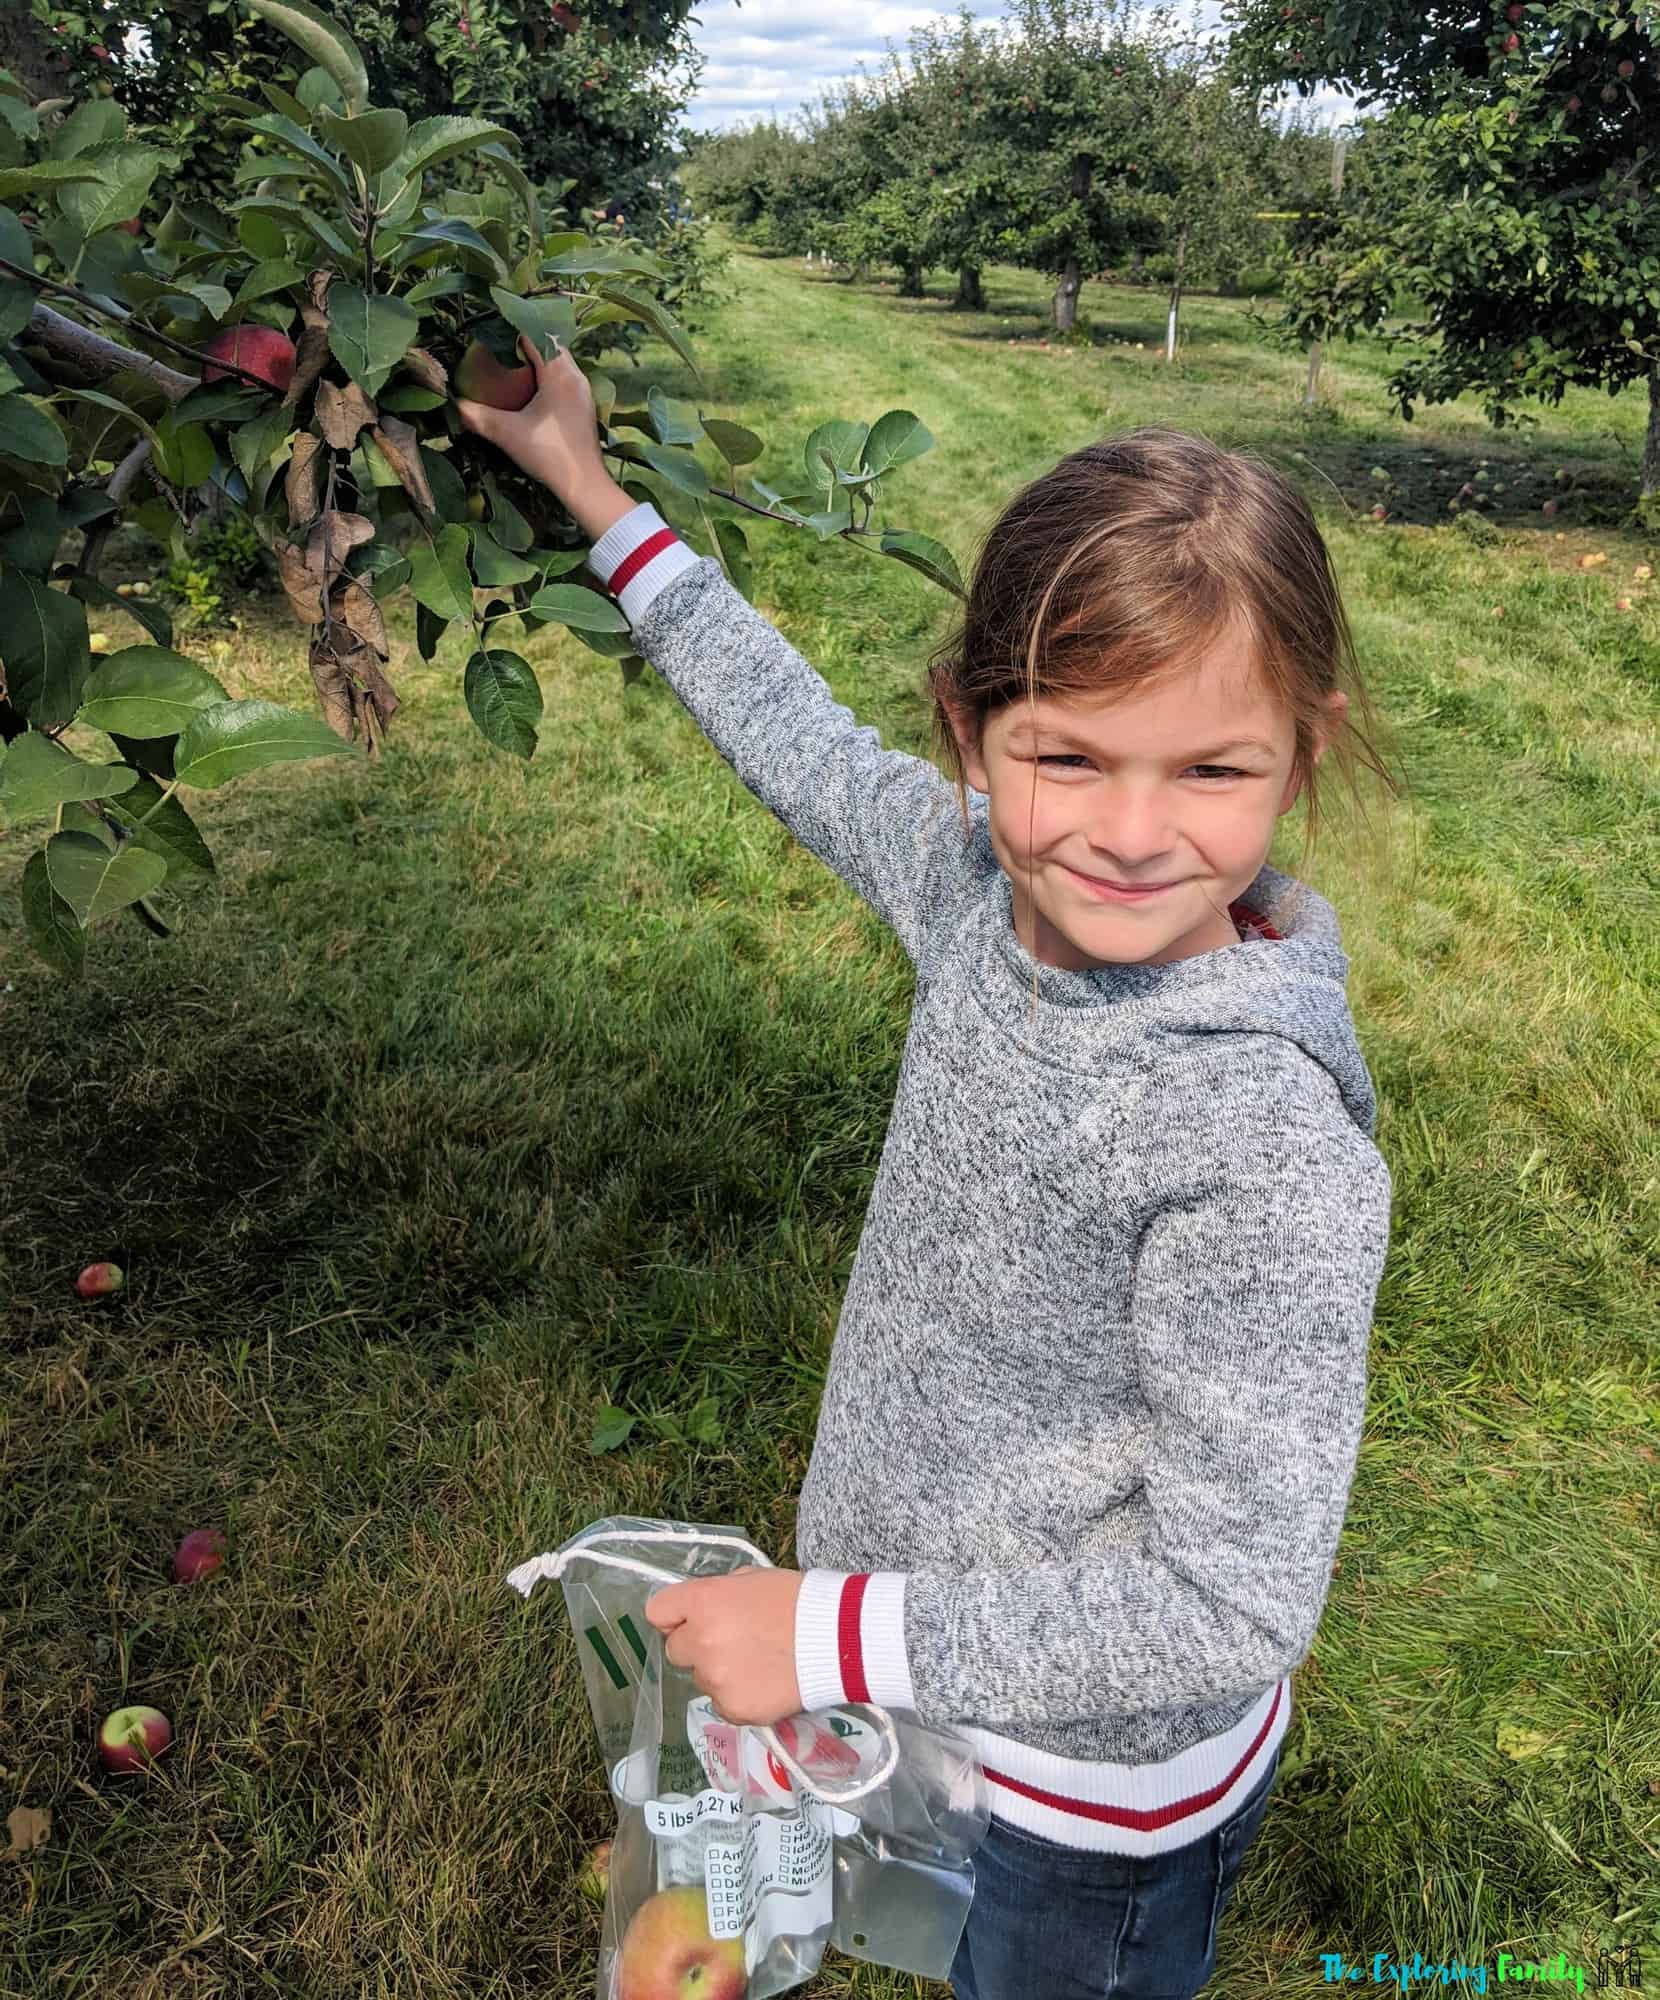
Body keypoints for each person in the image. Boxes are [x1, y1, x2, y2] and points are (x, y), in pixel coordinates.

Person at [458, 341, 1399, 2000]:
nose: (1126, 832)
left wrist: (826, 1633)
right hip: (924, 1675)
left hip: (1089, 1800)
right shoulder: (977, 891)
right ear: (974, 735)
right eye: (1068, 756)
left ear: (1303, 757)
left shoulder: (1260, 1146)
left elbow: (1233, 1600)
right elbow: (800, 741)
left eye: (1211, 770)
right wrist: (592, 490)